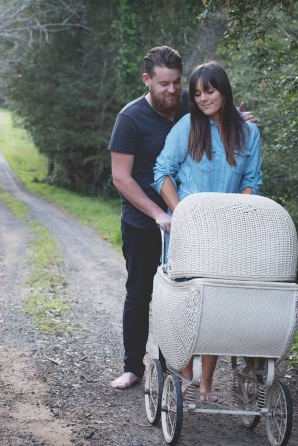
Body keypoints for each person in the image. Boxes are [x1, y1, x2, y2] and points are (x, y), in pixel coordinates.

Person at [107, 47, 256, 390]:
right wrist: (160, 213)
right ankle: (132, 367)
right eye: (164, 84)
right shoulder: (130, 119)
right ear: (147, 80)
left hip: (195, 222)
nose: (173, 91)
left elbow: (222, 113)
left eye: (176, 82)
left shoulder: (191, 100)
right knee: (141, 291)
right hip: (145, 218)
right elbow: (121, 177)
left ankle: (170, 368)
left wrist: (241, 122)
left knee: (183, 294)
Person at [152, 60, 262, 400]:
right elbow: (161, 172)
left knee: (217, 306)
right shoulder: (187, 127)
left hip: (227, 233)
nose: (202, 99)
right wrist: (180, 212)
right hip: (188, 231)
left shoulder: (248, 133)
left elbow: (251, 182)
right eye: (197, 93)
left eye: (209, 91)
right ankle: (185, 375)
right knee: (188, 303)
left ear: (224, 92)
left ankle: (206, 383)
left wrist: (237, 215)